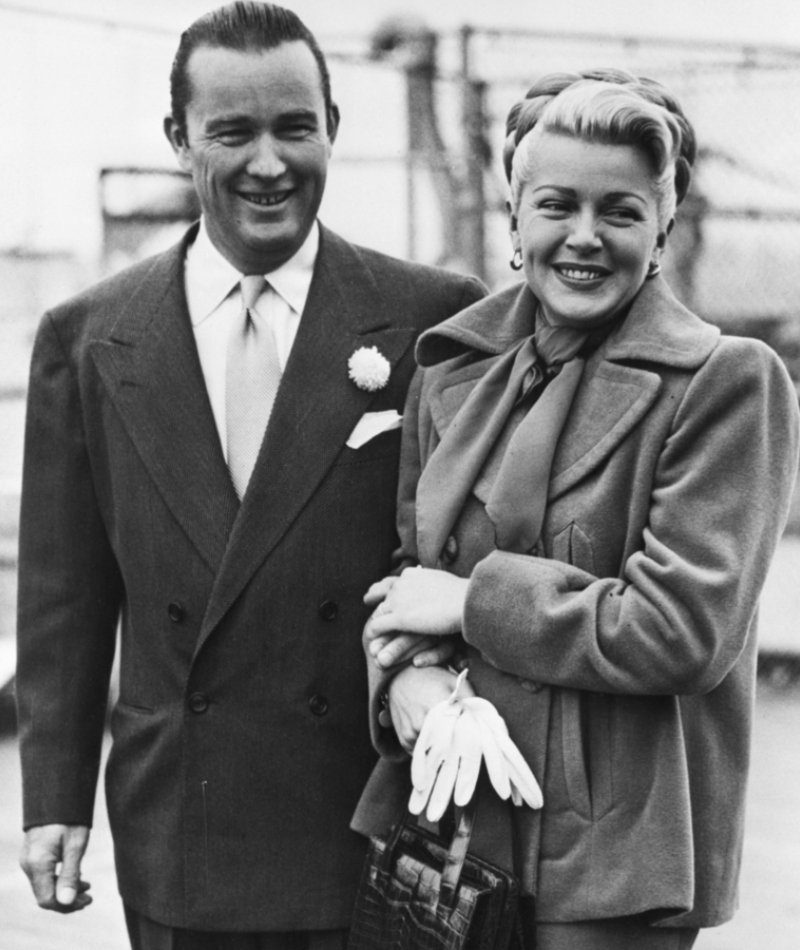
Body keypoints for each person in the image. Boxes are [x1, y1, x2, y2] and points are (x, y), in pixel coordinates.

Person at [15, 3, 486, 948]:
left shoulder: (434, 319)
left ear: (332, 131)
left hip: (367, 821)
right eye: (231, 132)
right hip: (183, 828)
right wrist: (52, 799)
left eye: (294, 128)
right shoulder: (89, 338)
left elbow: (466, 556)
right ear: (178, 139)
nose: (268, 164)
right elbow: (66, 596)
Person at [352, 71, 800, 949]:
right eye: (557, 205)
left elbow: (683, 630)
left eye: (622, 212)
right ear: (515, 217)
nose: (585, 238)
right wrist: (403, 680)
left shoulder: (726, 385)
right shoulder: (453, 369)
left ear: (663, 227)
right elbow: (408, 581)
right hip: (453, 825)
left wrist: (473, 600)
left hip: (612, 861)